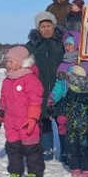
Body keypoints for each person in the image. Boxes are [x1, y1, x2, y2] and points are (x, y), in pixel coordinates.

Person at [0, 46, 45, 177]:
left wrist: (33, 118)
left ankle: (35, 171)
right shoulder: (7, 81)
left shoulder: (30, 79)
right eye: (7, 61)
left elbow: (35, 100)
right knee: (12, 148)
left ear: (21, 62)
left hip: (26, 122)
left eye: (12, 61)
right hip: (11, 122)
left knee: (31, 147)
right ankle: (15, 171)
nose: (8, 64)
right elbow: (3, 102)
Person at [27, 10, 65, 160]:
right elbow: (25, 65)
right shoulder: (32, 46)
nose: (46, 29)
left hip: (60, 90)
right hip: (40, 90)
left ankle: (66, 152)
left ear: (54, 26)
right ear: (38, 28)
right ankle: (46, 151)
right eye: (43, 26)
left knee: (63, 122)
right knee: (44, 122)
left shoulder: (62, 43)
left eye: (49, 25)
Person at [53, 65, 88, 177]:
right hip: (71, 124)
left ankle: (86, 168)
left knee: (84, 148)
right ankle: (75, 167)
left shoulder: (87, 92)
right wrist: (62, 116)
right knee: (72, 146)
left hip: (84, 125)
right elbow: (66, 104)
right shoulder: (70, 91)